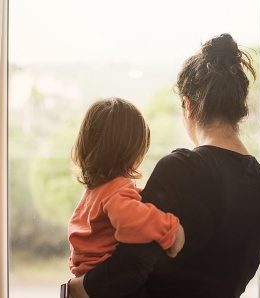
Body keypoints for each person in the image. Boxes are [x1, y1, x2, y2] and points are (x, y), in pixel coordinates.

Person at [68, 33, 260, 298]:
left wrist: (71, 289)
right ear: (239, 108)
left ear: (188, 106)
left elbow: (126, 272)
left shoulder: (182, 169)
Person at [67, 98, 185, 278]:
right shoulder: (117, 190)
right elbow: (133, 220)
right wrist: (170, 229)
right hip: (107, 284)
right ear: (133, 152)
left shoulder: (93, 192)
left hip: (86, 279)